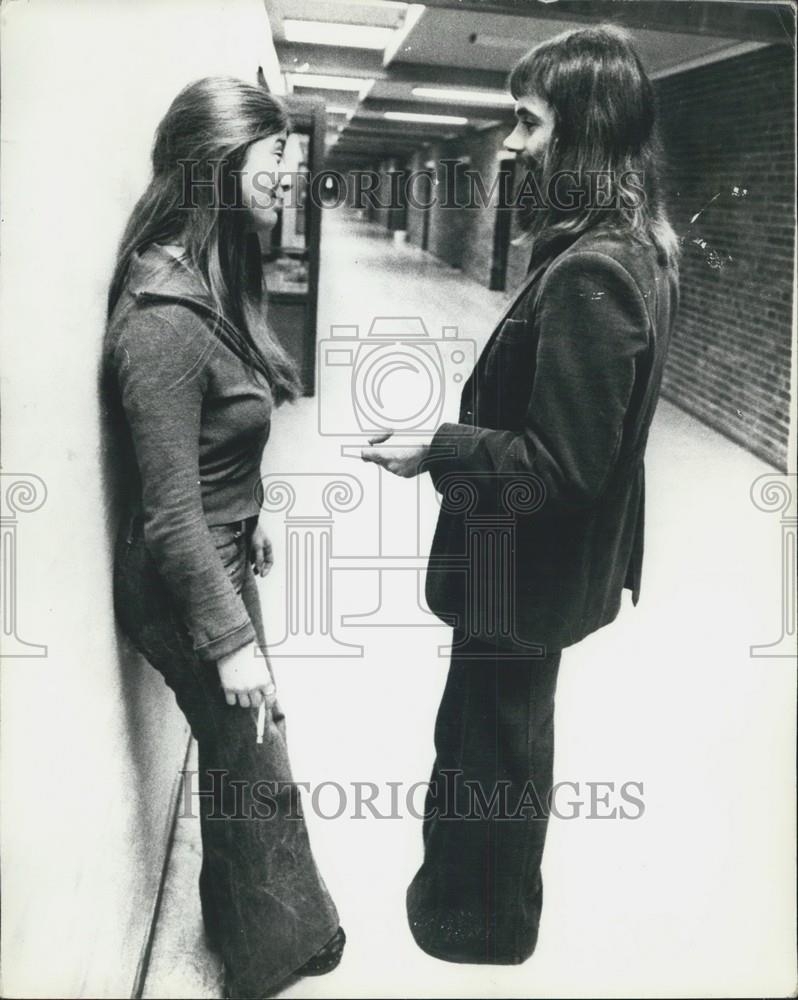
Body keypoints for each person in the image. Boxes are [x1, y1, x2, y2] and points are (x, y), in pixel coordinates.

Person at [361, 25, 679, 965]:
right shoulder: (634, 251)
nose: (509, 142)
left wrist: (442, 445)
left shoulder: (592, 272)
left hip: (523, 577)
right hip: (535, 577)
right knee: (487, 733)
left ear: (580, 134)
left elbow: (563, 468)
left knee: (493, 748)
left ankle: (481, 927)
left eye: (527, 122)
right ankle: (466, 905)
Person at [103, 77, 343, 998]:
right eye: (273, 154)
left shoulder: (211, 278)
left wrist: (250, 521)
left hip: (219, 553)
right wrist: (233, 643)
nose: (289, 173)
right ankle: (267, 956)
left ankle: (265, 932)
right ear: (215, 165)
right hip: (181, 579)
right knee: (254, 758)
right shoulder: (164, 321)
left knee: (247, 754)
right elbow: (167, 513)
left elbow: (213, 455)